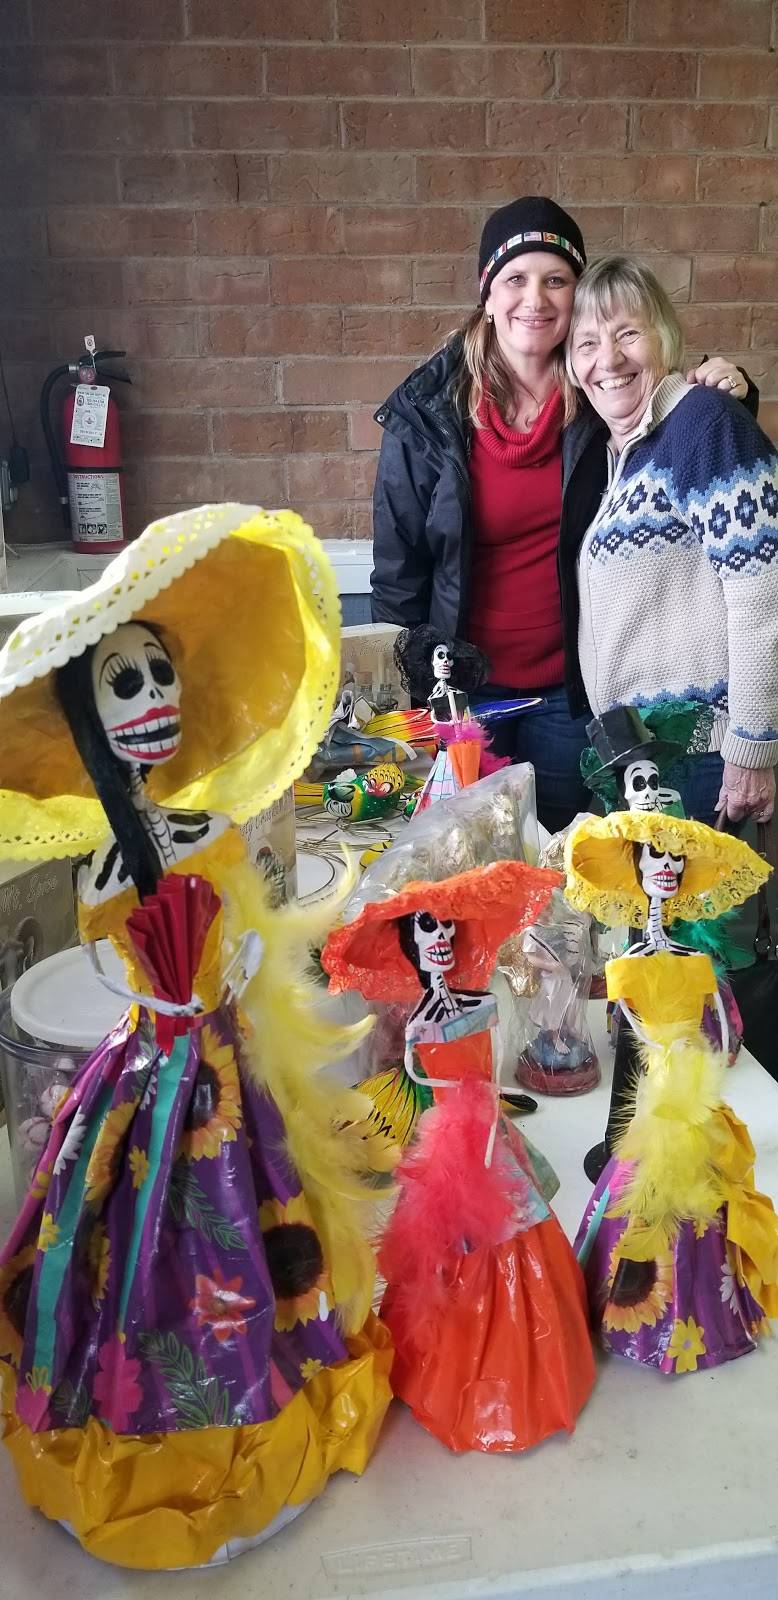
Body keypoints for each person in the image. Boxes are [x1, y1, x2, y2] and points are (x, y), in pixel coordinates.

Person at [0, 505, 392, 1569]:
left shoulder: (212, 830)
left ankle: (263, 1387)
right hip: (154, 1066)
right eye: (124, 682)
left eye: (161, 673)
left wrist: (232, 974)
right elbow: (110, 962)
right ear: (87, 712)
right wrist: (170, 995)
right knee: (130, 1231)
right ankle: (151, 1419)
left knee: (257, 1214)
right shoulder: (102, 865)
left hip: (223, 1060)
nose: (154, 696)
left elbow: (248, 936)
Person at [370, 195, 753, 834]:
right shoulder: (426, 414)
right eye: (515, 279)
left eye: (556, 280)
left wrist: (731, 384)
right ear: (487, 295)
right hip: (464, 697)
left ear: (579, 295)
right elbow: (397, 574)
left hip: (568, 692)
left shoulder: (604, 388)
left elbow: (685, 426)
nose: (535, 299)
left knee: (561, 861)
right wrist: (409, 699)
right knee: (467, 856)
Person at [564, 256, 778, 828]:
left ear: (665, 338)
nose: (608, 359)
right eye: (587, 344)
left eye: (627, 334)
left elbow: (763, 593)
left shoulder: (704, 424)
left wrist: (752, 747)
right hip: (646, 756)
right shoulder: (623, 453)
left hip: (704, 758)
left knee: (709, 893)